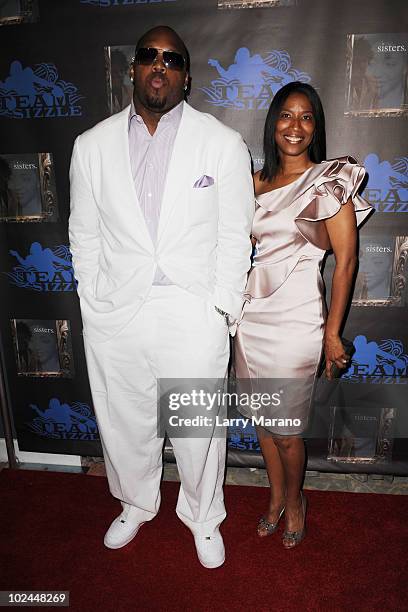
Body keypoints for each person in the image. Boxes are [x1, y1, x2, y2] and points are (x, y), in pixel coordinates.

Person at [69, 26, 253, 568]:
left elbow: (234, 234)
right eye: (148, 56)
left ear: (186, 76)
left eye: (171, 59)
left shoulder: (221, 142)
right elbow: (84, 234)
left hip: (191, 309)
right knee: (123, 421)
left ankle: (203, 516)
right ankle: (135, 502)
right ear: (132, 69)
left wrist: (221, 307)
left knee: (198, 429)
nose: (158, 65)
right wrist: (92, 299)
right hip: (116, 311)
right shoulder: (91, 145)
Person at [234, 82, 372, 548]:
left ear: (317, 126)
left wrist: (333, 334)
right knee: (261, 421)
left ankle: (296, 502)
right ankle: (273, 498)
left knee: (288, 430)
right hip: (249, 320)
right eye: (286, 116)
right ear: (273, 122)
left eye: (306, 116)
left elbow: (345, 262)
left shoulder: (328, 182)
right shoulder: (251, 183)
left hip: (297, 322)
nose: (295, 126)